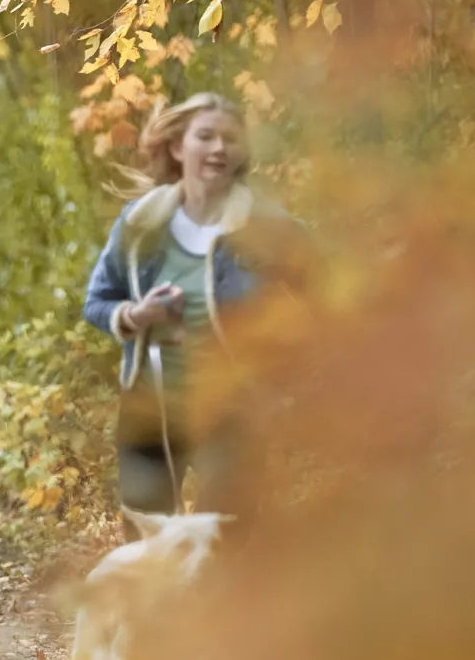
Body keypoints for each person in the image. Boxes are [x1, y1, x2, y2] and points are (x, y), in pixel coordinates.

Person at [82, 93, 309, 528]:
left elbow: (324, 290)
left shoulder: (266, 226)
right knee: (149, 548)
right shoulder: (140, 223)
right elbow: (97, 301)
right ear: (176, 147)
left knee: (225, 541)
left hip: (231, 407)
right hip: (151, 407)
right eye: (205, 136)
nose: (219, 148)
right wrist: (136, 315)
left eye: (230, 139)